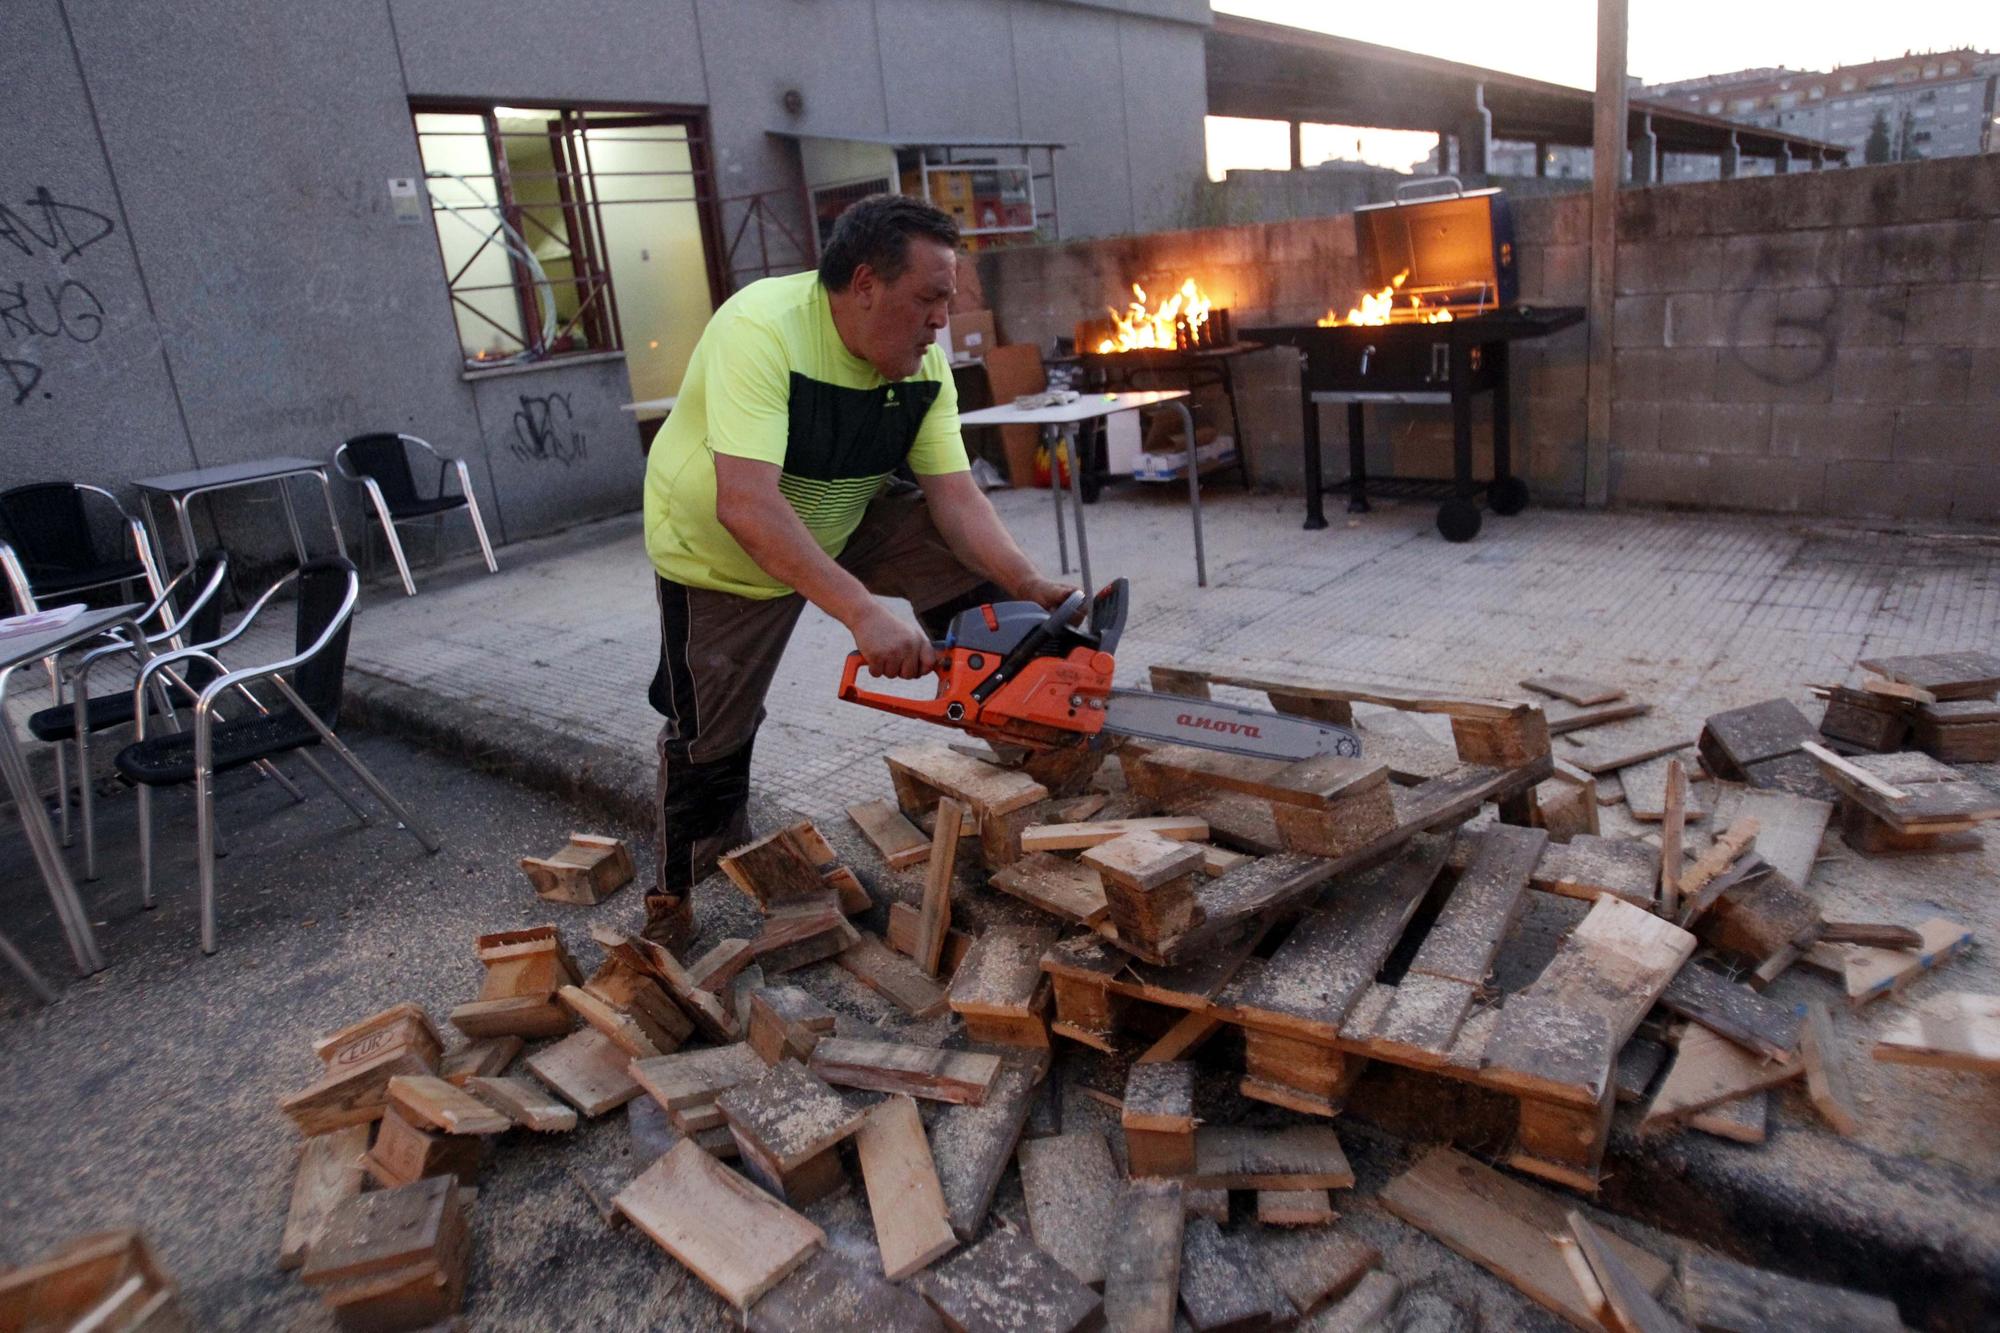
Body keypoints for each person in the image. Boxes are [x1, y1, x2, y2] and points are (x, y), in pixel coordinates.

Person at [639, 193, 1075, 946]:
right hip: (726, 551)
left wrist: (1029, 581)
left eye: (949, 301)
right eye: (929, 299)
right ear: (866, 284)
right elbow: (747, 504)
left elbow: (954, 495)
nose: (943, 320)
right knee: (709, 738)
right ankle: (676, 897)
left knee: (974, 573)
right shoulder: (762, 330)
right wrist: (862, 612)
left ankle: (1026, 726)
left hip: (843, 509)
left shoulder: (923, 363)